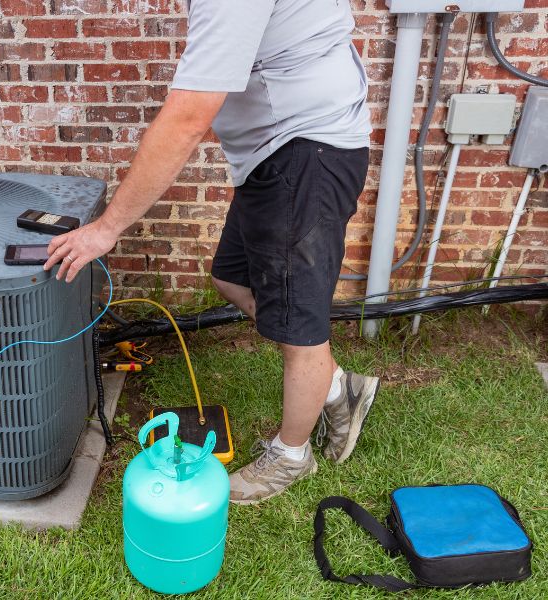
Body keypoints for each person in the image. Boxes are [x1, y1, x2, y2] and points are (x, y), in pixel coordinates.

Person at [43, 0, 380, 505]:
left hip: (306, 152)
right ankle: (336, 387)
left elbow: (188, 117)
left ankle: (291, 454)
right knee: (230, 276)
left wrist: (107, 228)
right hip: (276, 152)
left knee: (300, 325)